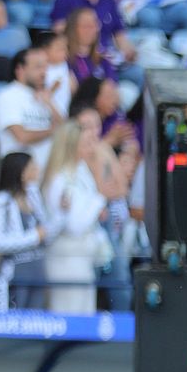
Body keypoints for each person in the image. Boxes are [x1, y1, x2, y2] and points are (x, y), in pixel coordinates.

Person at [41, 117, 107, 315]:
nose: (91, 147)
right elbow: (74, 226)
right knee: (69, 315)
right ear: (71, 146)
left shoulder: (81, 170)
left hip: (84, 257)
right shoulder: (59, 179)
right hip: (67, 258)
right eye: (85, 143)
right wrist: (98, 203)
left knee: (86, 315)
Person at [0, 151, 55, 311]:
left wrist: (62, 213)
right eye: (32, 167)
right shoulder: (1, 201)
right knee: (16, 316)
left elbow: (45, 229)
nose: (37, 170)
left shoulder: (33, 195)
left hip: (37, 269)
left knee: (36, 317)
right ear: (21, 172)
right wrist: (33, 237)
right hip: (15, 273)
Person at [0, 49, 61, 166]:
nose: (44, 72)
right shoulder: (8, 96)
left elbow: (67, 130)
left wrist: (50, 103)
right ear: (20, 69)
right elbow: (22, 137)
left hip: (50, 170)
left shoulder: (45, 97)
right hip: (22, 172)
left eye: (46, 67)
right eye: (38, 67)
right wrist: (55, 130)